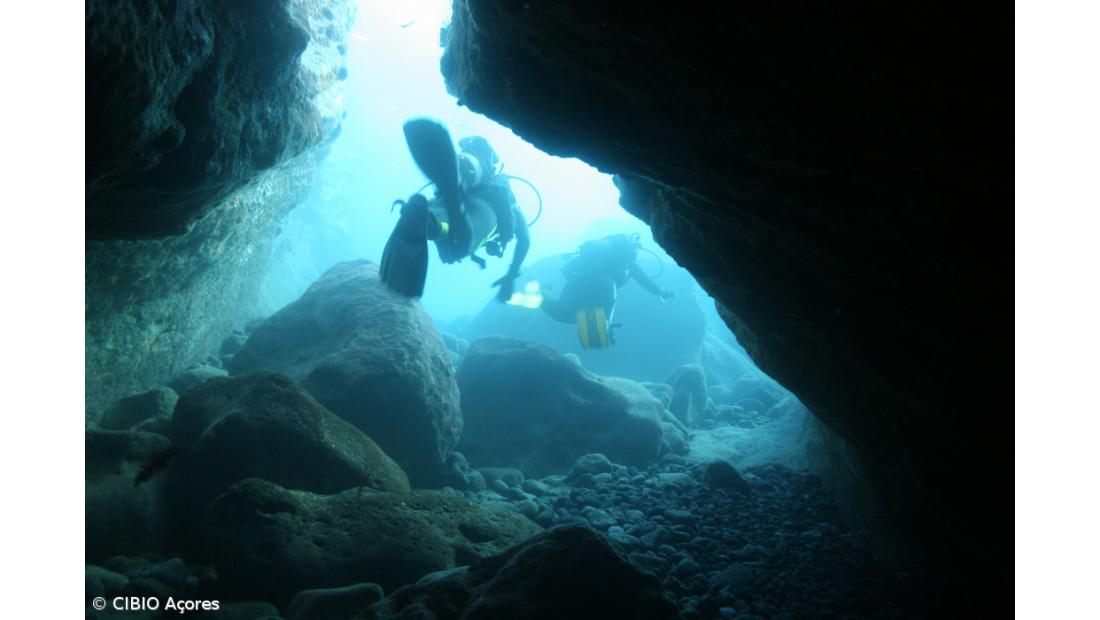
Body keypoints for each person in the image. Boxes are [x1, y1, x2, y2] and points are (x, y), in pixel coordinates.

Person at [381, 119, 529, 301]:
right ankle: (447, 206)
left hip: (444, 203)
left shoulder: (492, 189)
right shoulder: (501, 194)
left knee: (439, 220)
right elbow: (525, 239)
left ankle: (433, 215)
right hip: (478, 214)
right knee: (461, 244)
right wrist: (512, 274)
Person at [510, 233, 673, 348]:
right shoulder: (629, 266)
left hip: (578, 281)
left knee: (565, 315)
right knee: (594, 311)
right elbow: (638, 285)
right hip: (603, 285)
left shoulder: (599, 259)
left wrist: (579, 287)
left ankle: (537, 294)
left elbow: (566, 269)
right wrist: (660, 292)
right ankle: (605, 330)